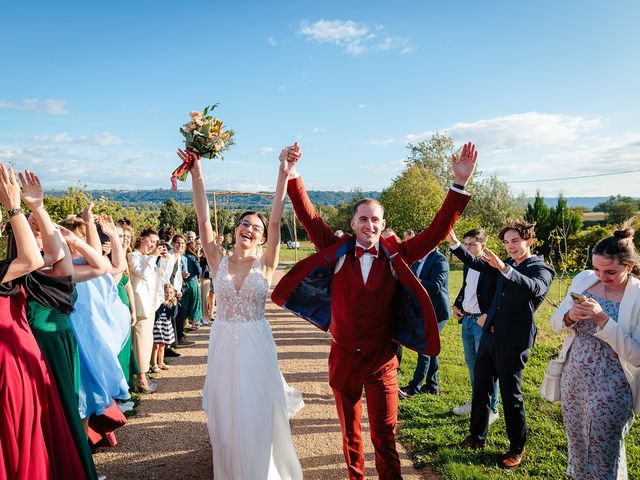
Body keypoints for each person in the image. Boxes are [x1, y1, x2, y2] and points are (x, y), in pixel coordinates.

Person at [273, 142, 477, 479]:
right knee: (350, 436)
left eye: (375, 220)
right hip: (343, 361)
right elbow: (308, 216)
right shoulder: (335, 250)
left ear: (383, 225)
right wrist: (292, 173)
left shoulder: (398, 255)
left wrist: (459, 184)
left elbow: (438, 230)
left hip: (382, 362)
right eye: (363, 218)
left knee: (384, 436)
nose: (370, 224)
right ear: (353, 223)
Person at [183, 144, 304, 479]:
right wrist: (198, 173)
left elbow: (277, 215)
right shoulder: (217, 259)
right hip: (222, 341)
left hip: (255, 342)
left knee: (256, 407)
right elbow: (203, 218)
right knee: (226, 409)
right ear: (236, 228)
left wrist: (283, 172)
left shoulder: (265, 263)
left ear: (263, 238)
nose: (249, 229)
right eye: (245, 224)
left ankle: (260, 469)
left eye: (255, 228)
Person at [0, 164, 86, 479]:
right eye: (30, 231)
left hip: (30, 361)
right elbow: (38, 257)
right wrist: (13, 208)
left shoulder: (24, 274)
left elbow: (54, 257)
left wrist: (36, 207)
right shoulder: (15, 271)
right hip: (18, 364)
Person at [456, 220, 554, 470]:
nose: (509, 246)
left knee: (511, 396)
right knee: (481, 388)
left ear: (528, 241)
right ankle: (477, 437)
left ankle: (516, 448)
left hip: (514, 341)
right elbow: (477, 264)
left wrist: (504, 268)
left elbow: (534, 288)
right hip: (490, 335)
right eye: (506, 242)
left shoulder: (541, 268)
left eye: (515, 241)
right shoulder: (507, 263)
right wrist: (454, 242)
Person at [550, 225, 640, 479]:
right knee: (577, 442)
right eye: (597, 269)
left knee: (605, 449)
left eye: (610, 271)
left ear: (629, 266)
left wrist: (603, 320)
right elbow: (555, 324)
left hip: (613, 383)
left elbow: (637, 355)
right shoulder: (584, 279)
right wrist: (569, 316)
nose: (601, 276)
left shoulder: (638, 296)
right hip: (574, 377)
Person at [447, 229, 500, 424]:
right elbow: (466, 287)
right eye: (465, 243)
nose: (468, 247)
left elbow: (497, 296)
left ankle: (492, 408)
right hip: (467, 321)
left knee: (487, 368)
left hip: (482, 323)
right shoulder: (468, 266)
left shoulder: (492, 266)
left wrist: (488, 316)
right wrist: (457, 303)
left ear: (483, 247)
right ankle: (476, 401)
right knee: (472, 366)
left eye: (472, 244)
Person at [398, 247, 450, 397]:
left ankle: (414, 388)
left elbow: (435, 287)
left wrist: (414, 281)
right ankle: (432, 386)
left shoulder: (440, 260)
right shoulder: (416, 260)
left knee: (425, 349)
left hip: (437, 312)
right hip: (422, 311)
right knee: (431, 347)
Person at [128, 228, 170, 392]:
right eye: (151, 241)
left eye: (155, 243)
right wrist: (152, 257)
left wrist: (164, 260)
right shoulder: (133, 256)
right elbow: (143, 275)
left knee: (146, 341)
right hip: (140, 305)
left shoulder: (148, 258)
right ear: (141, 239)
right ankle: (141, 377)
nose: (153, 245)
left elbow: (162, 277)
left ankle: (143, 374)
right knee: (140, 342)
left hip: (150, 304)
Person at [152, 284, 178, 372]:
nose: (168, 294)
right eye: (166, 292)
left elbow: (173, 315)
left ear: (174, 294)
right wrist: (163, 304)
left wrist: (174, 306)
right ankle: (154, 364)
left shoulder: (172, 303)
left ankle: (161, 362)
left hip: (166, 325)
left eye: (171, 292)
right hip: (158, 325)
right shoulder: (159, 302)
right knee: (156, 345)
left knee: (163, 345)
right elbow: (157, 314)